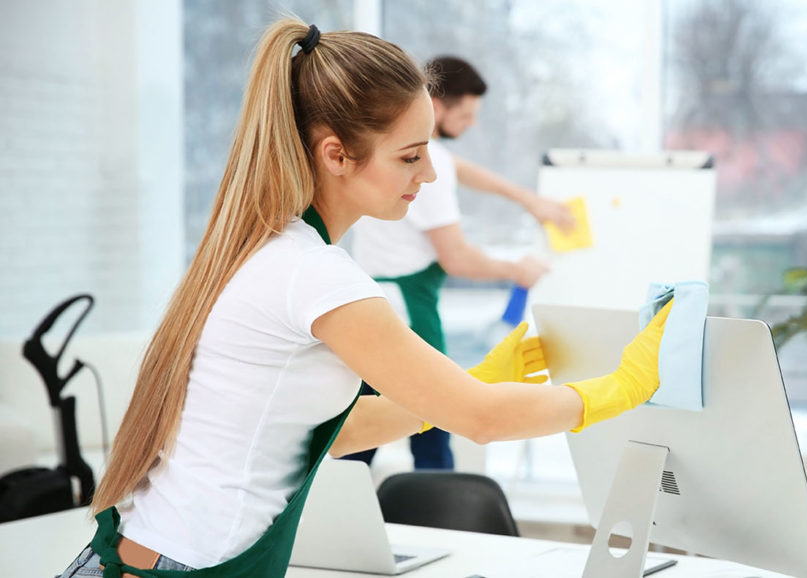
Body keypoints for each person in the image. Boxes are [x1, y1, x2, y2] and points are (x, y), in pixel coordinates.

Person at [57, 19, 671, 578]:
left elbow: (328, 429)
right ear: (336, 154)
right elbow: (484, 420)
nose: (427, 175)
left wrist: (468, 382)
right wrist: (622, 387)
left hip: (143, 553)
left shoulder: (265, 249)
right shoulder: (315, 275)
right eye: (409, 156)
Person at [347, 56, 574, 469]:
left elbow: (464, 170)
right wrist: (515, 268)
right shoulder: (427, 168)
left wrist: (528, 200)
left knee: (366, 424)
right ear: (435, 105)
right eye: (465, 115)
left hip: (376, 299)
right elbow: (456, 258)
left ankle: (331, 511)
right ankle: (437, 522)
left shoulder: (404, 154)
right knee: (431, 420)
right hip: (407, 309)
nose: (470, 124)